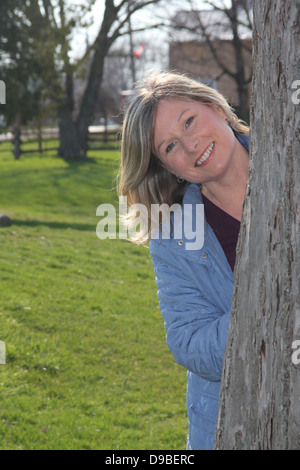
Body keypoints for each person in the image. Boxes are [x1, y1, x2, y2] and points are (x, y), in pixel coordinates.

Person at [118, 71, 249, 450]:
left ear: (215, 106)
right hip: (234, 424)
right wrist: (269, 312)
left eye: (189, 121)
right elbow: (189, 342)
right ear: (168, 168)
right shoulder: (173, 238)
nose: (191, 146)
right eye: (170, 146)